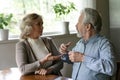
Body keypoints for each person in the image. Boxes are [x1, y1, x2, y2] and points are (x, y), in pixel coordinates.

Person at [59, 8, 116, 80]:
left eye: (79, 22)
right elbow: (73, 59)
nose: (76, 25)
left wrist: (83, 58)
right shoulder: (80, 43)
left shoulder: (104, 44)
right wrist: (65, 53)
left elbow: (110, 68)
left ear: (88, 27)